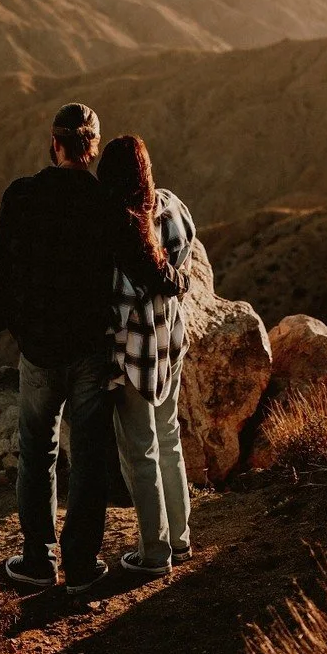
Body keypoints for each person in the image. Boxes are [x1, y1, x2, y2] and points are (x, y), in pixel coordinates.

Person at [0, 103, 190, 595]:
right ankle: (83, 566)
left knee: (37, 450)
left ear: (55, 145)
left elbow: (3, 267)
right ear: (91, 150)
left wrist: (20, 326)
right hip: (90, 352)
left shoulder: (21, 196)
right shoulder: (106, 206)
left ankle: (37, 560)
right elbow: (144, 266)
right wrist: (180, 280)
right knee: (89, 457)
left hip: (39, 352)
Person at [97, 134, 196, 577]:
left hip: (133, 357)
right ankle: (181, 539)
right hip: (169, 345)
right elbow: (185, 258)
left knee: (140, 452)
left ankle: (155, 555)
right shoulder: (173, 207)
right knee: (169, 437)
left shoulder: (114, 231)